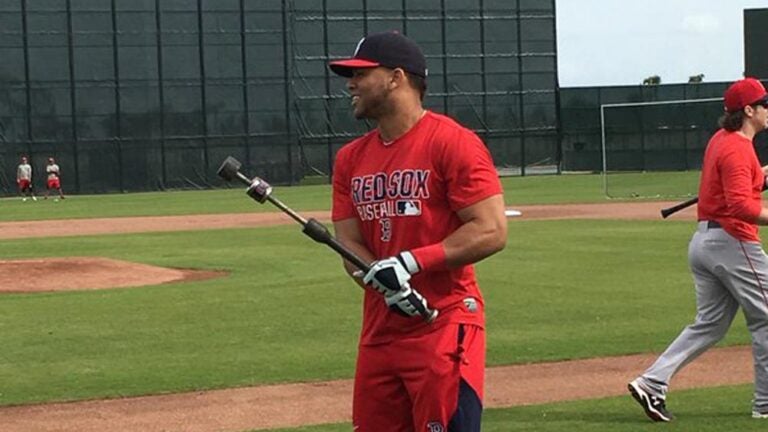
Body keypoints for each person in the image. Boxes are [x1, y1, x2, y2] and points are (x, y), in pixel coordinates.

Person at [328, 31, 507, 431]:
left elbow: (491, 228)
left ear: (396, 78)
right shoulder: (349, 160)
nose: (350, 84)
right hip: (379, 333)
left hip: (442, 324)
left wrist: (408, 264)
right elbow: (348, 242)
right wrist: (383, 280)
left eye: (360, 74)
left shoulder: (453, 142)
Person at [628, 77, 768, 422]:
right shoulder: (738, 148)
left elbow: (744, 185)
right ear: (748, 111)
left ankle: (652, 381)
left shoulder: (724, 140)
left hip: (706, 242)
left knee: (710, 325)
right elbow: (741, 206)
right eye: (764, 104)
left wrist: (764, 177)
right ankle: (765, 404)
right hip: (733, 242)